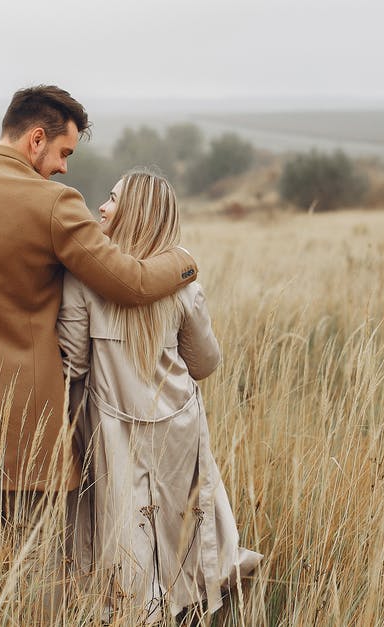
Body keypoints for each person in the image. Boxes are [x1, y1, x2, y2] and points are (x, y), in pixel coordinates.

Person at [0, 86, 198, 573]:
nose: (64, 167)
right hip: (20, 419)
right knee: (33, 568)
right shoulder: (54, 204)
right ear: (36, 138)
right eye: (64, 152)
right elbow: (129, 282)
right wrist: (183, 263)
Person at [59, 169, 261, 623]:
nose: (103, 207)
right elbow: (206, 364)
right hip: (178, 426)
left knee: (126, 542)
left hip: (112, 431)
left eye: (112, 200)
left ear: (135, 214)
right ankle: (190, 607)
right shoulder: (183, 285)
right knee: (180, 533)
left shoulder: (81, 282)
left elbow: (71, 364)